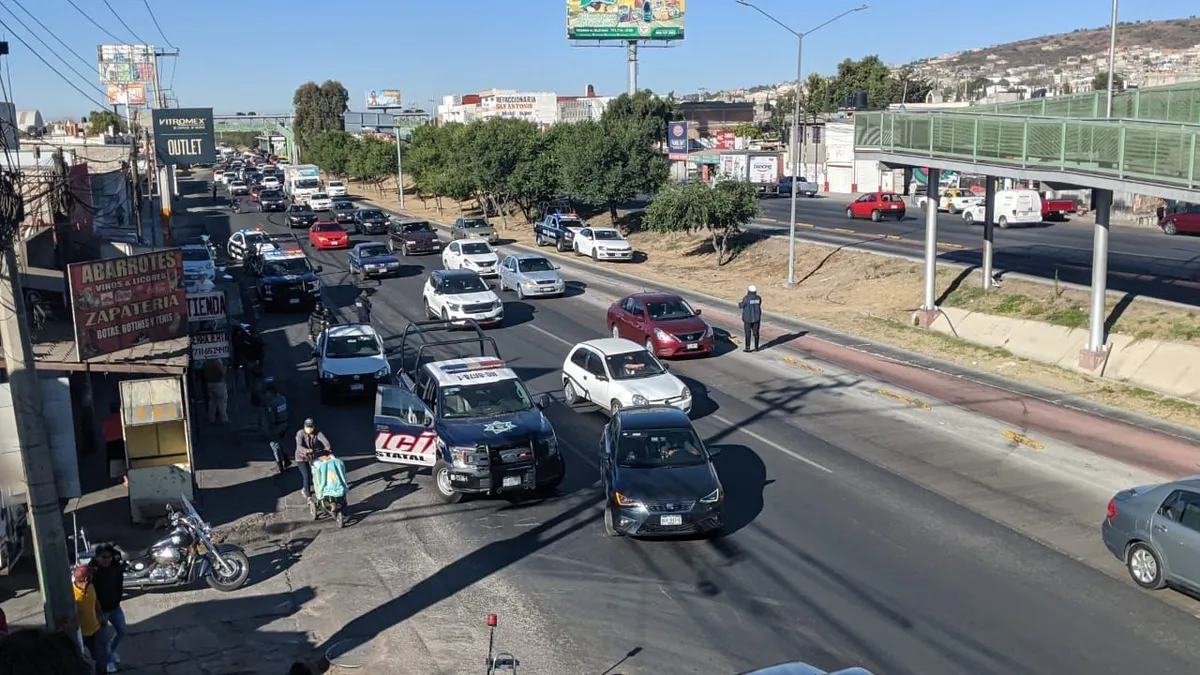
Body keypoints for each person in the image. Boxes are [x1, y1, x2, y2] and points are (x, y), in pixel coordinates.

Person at [88, 544, 124, 673]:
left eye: (109, 557)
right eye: (103, 557)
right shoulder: (91, 571)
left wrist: (118, 599)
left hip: (115, 607)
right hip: (100, 610)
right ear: (97, 557)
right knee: (103, 640)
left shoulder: (116, 567)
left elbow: (119, 583)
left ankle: (112, 651)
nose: (107, 560)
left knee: (122, 631)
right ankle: (108, 661)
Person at [72, 565, 107, 675]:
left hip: (96, 628)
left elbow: (96, 602)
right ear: (87, 578)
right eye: (91, 575)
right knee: (81, 660)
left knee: (101, 658)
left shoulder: (91, 587)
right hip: (81, 634)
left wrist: (101, 617)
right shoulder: (72, 594)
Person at [294, 419, 330, 502]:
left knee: (315, 473)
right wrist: (306, 450)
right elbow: (298, 446)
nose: (309, 428)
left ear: (313, 426)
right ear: (304, 426)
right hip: (301, 457)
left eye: (311, 427)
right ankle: (308, 494)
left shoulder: (317, 432)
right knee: (306, 475)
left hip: (312, 456)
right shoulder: (300, 433)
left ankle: (307, 487)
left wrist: (327, 447)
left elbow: (325, 440)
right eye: (307, 427)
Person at [261, 378, 290, 468]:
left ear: (271, 392)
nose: (266, 395)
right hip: (284, 424)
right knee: (279, 443)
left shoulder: (271, 403)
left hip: (276, 426)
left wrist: (269, 428)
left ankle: (279, 464)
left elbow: (271, 417)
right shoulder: (283, 399)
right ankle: (286, 459)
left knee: (274, 445)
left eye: (267, 393)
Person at [311, 446, 348, 516]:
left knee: (328, 495)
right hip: (338, 483)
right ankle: (339, 503)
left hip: (326, 486)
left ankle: (333, 505)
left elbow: (318, 477)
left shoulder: (318, 464)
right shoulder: (336, 461)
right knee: (340, 495)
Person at [101, 403, 125, 486]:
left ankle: (118, 476)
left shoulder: (108, 420)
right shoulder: (122, 418)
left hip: (111, 442)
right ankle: (125, 475)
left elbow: (104, 431)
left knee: (113, 460)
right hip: (121, 440)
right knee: (123, 458)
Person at [202, 358, 229, 423]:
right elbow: (222, 373)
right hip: (219, 383)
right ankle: (224, 419)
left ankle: (211, 418)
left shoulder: (205, 363)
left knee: (212, 402)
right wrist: (225, 367)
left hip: (210, 383)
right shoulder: (217, 362)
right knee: (222, 402)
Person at [738, 284, 762, 352]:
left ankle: (747, 348)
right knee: (756, 333)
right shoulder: (758, 298)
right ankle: (756, 347)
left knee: (748, 333)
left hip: (748, 318)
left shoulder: (746, 298)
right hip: (756, 318)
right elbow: (759, 304)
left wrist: (739, 303)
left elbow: (741, 305)